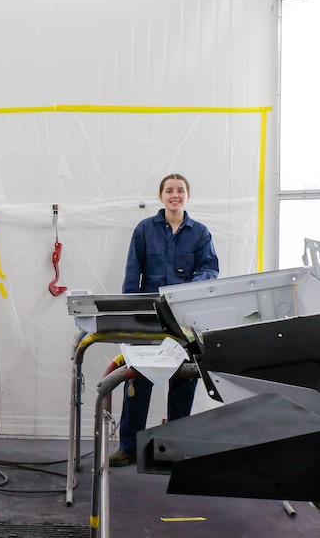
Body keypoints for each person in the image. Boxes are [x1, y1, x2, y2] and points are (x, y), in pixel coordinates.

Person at [109, 173, 219, 467]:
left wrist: (187, 290)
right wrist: (128, 318)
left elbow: (210, 270)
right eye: (170, 191)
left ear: (187, 196)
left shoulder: (200, 233)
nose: (175, 195)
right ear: (161, 197)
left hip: (185, 319)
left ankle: (175, 445)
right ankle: (129, 446)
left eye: (180, 190)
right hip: (149, 318)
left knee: (184, 382)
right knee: (137, 379)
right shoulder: (145, 230)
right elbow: (133, 274)